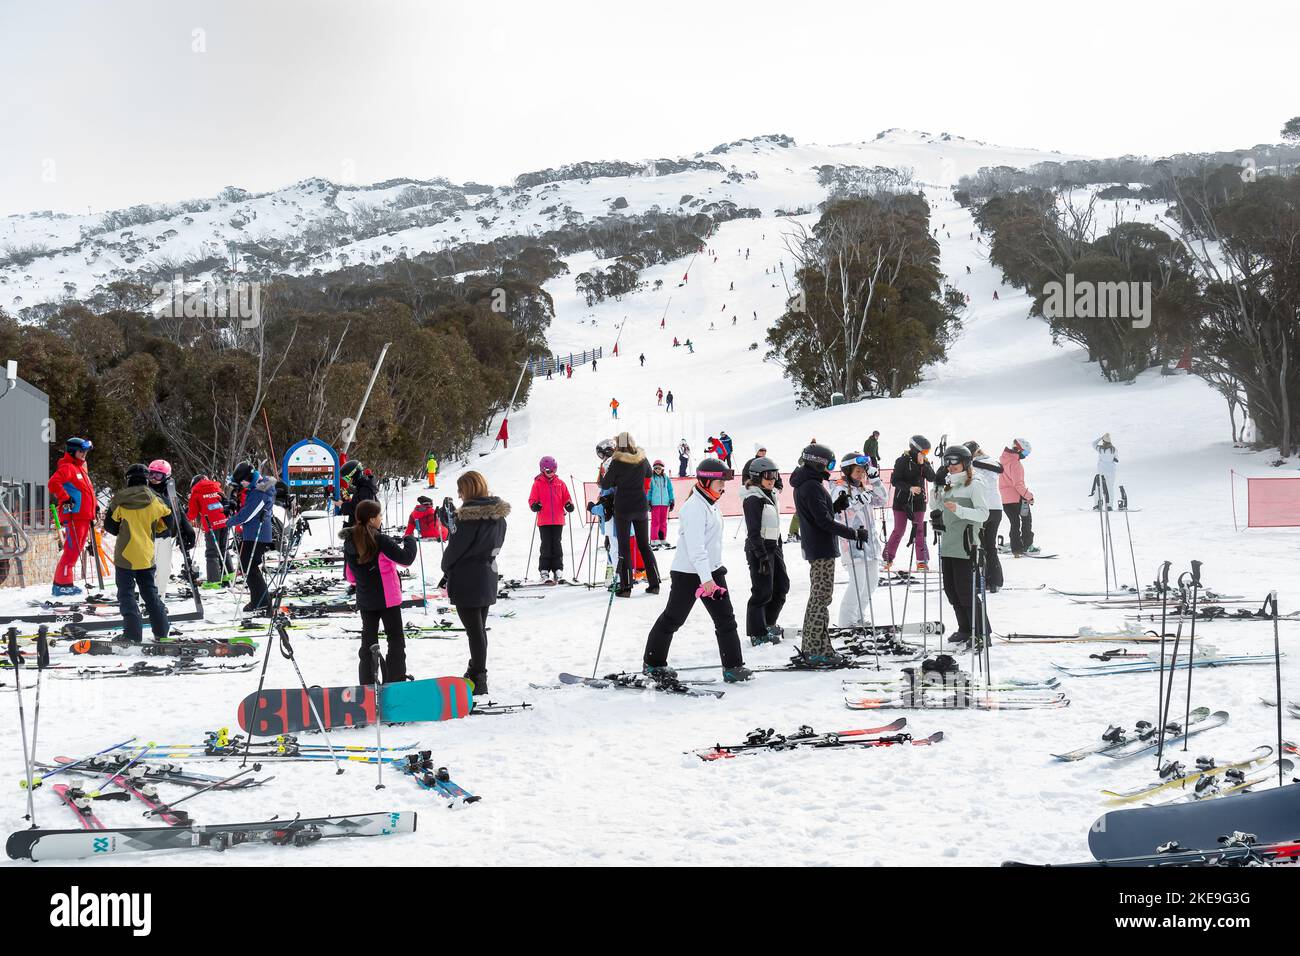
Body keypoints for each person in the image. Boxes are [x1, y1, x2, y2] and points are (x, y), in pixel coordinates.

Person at [642, 458, 750, 683]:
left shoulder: (711, 502)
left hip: (711, 571)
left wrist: (712, 573)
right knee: (674, 618)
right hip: (688, 574)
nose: (723, 486)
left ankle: (733, 667)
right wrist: (706, 579)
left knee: (726, 620)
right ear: (706, 481)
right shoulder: (694, 508)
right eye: (720, 481)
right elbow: (695, 548)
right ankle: (653, 663)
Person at [791, 444, 867, 664]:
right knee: (821, 598)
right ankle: (816, 650)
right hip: (821, 548)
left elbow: (819, 514)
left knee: (819, 597)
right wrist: (854, 533)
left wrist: (836, 506)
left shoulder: (808, 484)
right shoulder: (811, 486)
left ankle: (815, 646)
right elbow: (822, 522)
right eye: (829, 464)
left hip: (818, 546)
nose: (830, 469)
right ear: (817, 463)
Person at [440, 471, 509, 693]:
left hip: (467, 576)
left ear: (467, 490)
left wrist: (446, 566)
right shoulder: (499, 516)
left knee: (474, 630)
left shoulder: (468, 517)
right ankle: (476, 671)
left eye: (461, 491)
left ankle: (479, 676)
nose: (460, 496)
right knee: (479, 629)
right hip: (488, 573)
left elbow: (456, 549)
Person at [343, 499, 418, 684]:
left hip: (366, 600)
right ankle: (396, 680)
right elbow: (406, 559)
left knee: (368, 641)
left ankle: (367, 684)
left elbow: (350, 576)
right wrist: (410, 540)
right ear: (371, 519)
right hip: (388, 599)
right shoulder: (380, 539)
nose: (381, 518)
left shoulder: (350, 541)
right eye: (379, 515)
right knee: (395, 640)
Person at [102, 463, 173, 642]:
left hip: (125, 556)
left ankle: (132, 635)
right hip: (146, 556)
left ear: (128, 479)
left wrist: (123, 528)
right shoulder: (155, 499)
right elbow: (169, 521)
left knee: (126, 595)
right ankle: (161, 632)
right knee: (150, 593)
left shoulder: (119, 499)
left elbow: (109, 526)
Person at [931, 444, 991, 645]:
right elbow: (936, 506)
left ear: (965, 462)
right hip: (948, 542)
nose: (950, 465)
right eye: (947, 461)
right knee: (951, 590)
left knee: (966, 591)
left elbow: (983, 514)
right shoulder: (949, 483)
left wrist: (959, 510)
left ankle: (982, 633)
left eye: (955, 461)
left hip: (966, 544)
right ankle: (965, 628)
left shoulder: (975, 483)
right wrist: (936, 487)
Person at [599, 431, 660, 597]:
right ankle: (654, 583)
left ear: (618, 444)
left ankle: (626, 588)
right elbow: (649, 474)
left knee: (624, 548)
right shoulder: (642, 458)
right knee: (644, 546)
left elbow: (605, 484)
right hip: (640, 506)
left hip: (623, 508)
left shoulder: (617, 462)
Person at [833, 455, 888, 627]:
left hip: (870, 544)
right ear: (848, 471)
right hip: (853, 544)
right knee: (858, 584)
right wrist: (856, 503)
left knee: (871, 584)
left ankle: (858, 616)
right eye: (857, 471)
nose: (861, 474)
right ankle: (846, 622)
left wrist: (876, 480)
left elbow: (883, 499)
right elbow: (837, 514)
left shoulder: (864, 488)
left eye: (863, 471)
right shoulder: (839, 488)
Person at [741, 455, 788, 645]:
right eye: (768, 475)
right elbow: (753, 532)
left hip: (773, 547)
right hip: (758, 549)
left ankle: (768, 623)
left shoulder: (770, 494)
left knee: (781, 586)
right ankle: (757, 632)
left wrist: (779, 549)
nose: (773, 479)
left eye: (775, 475)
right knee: (762, 591)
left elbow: (774, 525)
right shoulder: (753, 499)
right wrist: (761, 556)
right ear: (757, 476)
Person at [48, 437, 97, 596]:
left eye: (86, 451)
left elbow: (87, 491)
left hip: (84, 517)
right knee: (71, 550)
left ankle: (65, 583)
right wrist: (65, 497)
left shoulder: (81, 468)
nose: (84, 454)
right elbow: (53, 483)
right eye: (81, 451)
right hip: (74, 516)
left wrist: (94, 505)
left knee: (76, 550)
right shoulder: (68, 467)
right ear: (72, 451)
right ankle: (62, 584)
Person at [883, 435, 937, 572]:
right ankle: (887, 558)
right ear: (915, 449)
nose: (925, 454)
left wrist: (923, 463)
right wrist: (910, 488)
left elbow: (932, 478)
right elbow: (895, 481)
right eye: (924, 451)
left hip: (918, 502)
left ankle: (922, 561)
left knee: (919, 530)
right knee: (899, 530)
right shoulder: (902, 461)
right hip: (902, 501)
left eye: (927, 452)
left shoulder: (924, 462)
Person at [229, 461, 277, 612]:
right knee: (248, 566)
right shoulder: (257, 487)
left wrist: (229, 521)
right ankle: (259, 599)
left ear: (248, 479)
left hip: (258, 533)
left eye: (242, 482)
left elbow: (248, 514)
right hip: (253, 532)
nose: (242, 486)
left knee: (248, 566)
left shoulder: (259, 491)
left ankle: (261, 601)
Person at [146, 459, 195, 593]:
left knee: (164, 570)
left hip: (166, 536)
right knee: (148, 571)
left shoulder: (170, 491)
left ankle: (159, 600)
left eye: (158, 475)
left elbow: (178, 511)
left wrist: (188, 530)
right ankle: (146, 601)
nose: (154, 478)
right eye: (151, 474)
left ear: (166, 476)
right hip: (148, 537)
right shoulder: (144, 490)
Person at [965, 441, 1005, 592]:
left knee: (977, 546)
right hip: (997, 508)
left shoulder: (971, 466)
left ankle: (978, 582)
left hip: (982, 509)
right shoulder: (992, 462)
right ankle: (995, 581)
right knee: (991, 546)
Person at [528, 456, 574, 583]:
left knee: (557, 544)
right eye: (548, 471)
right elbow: (532, 499)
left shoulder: (560, 483)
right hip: (544, 520)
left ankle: (558, 568)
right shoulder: (537, 483)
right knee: (546, 544)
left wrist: (568, 504)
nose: (551, 473)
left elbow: (566, 497)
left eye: (553, 470)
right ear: (543, 470)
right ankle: (544, 569)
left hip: (558, 519)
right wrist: (534, 505)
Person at [187, 473, 234, 584]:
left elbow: (191, 515)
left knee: (212, 552)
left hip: (211, 523)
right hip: (225, 520)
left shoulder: (196, 492)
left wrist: (186, 511)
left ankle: (214, 581)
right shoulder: (216, 488)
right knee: (223, 549)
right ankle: (228, 576)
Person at [998, 439, 1034, 557]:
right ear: (1019, 450)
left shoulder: (1003, 461)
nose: (1026, 456)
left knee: (1014, 524)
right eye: (1026, 453)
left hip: (1005, 500)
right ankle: (1027, 545)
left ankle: (1016, 550)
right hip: (1017, 497)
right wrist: (1029, 496)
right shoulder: (1015, 463)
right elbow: (1018, 484)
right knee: (1026, 520)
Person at [339, 459, 378, 529]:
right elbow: (358, 503)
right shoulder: (362, 486)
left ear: (353, 474)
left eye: (347, 478)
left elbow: (360, 509)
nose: (348, 481)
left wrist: (342, 505)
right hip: (360, 529)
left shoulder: (365, 489)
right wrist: (347, 500)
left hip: (364, 531)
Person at [648, 459, 675, 543]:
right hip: (655, 503)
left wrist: (672, 500)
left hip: (665, 503)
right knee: (655, 522)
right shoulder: (652, 479)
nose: (657, 470)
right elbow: (649, 490)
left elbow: (670, 490)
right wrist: (648, 501)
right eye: (655, 468)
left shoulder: (666, 479)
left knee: (663, 522)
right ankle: (654, 539)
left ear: (662, 469)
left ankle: (662, 538)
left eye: (659, 468)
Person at [1092, 433, 1118, 510]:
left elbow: (1093, 444)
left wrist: (1101, 437)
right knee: (1110, 488)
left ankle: (1098, 504)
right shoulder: (1114, 449)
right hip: (1111, 472)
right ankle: (1109, 506)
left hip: (1101, 472)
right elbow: (1116, 459)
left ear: (1103, 441)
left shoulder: (1100, 449)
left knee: (1098, 488)